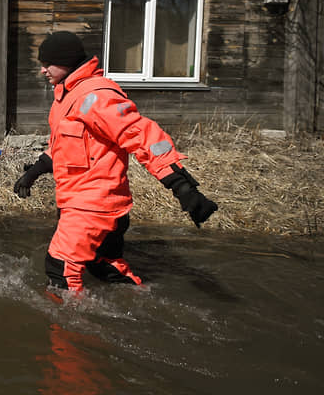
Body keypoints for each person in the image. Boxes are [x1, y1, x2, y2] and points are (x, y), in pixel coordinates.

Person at [13, 31, 217, 292]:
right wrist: (35, 171)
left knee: (60, 270)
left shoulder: (96, 96)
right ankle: (141, 299)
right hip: (90, 202)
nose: (42, 70)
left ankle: (68, 331)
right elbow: (67, 145)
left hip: (92, 205)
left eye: (47, 64)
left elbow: (142, 135)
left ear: (66, 62)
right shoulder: (66, 96)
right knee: (104, 265)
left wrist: (182, 186)